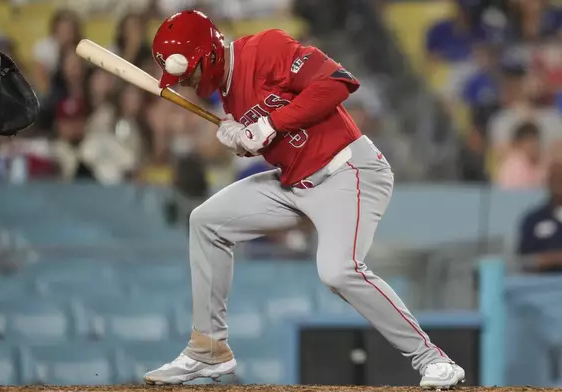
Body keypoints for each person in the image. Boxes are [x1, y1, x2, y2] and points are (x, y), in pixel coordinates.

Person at [142, 10, 465, 388]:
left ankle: (432, 360)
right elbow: (279, 142)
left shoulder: (266, 48)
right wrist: (243, 142)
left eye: (189, 72)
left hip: (348, 171)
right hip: (294, 184)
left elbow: (339, 82)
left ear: (210, 54)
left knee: (338, 270)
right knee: (206, 221)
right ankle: (208, 350)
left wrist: (268, 126)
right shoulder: (227, 92)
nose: (186, 83)